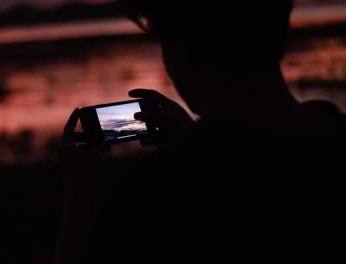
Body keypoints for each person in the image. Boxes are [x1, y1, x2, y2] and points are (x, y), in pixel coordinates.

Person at [54, 1, 346, 263]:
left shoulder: (163, 197)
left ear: (179, 47)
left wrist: (79, 194)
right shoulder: (334, 137)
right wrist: (193, 140)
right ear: (280, 31)